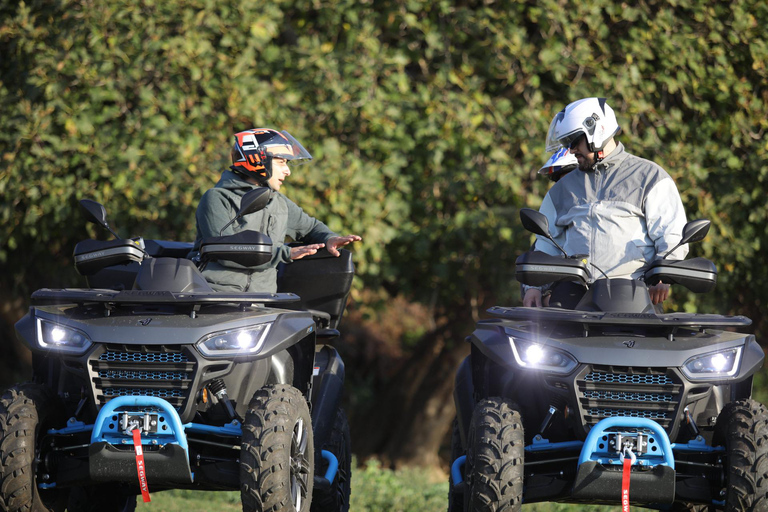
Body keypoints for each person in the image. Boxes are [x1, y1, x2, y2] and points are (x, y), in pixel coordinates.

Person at [523, 97, 688, 308]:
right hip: (572, 299)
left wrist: (664, 275)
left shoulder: (649, 176)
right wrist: (534, 288)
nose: (571, 150)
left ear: (596, 131)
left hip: (633, 298)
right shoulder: (561, 190)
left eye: (574, 142)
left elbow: (671, 234)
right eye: (567, 144)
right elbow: (546, 244)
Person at [193, 128, 361, 293]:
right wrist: (285, 253)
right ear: (257, 160)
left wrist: (330, 238)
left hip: (263, 301)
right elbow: (225, 251)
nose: (287, 171)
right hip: (215, 296)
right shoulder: (217, 198)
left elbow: (310, 228)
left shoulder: (278, 202)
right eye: (281, 162)